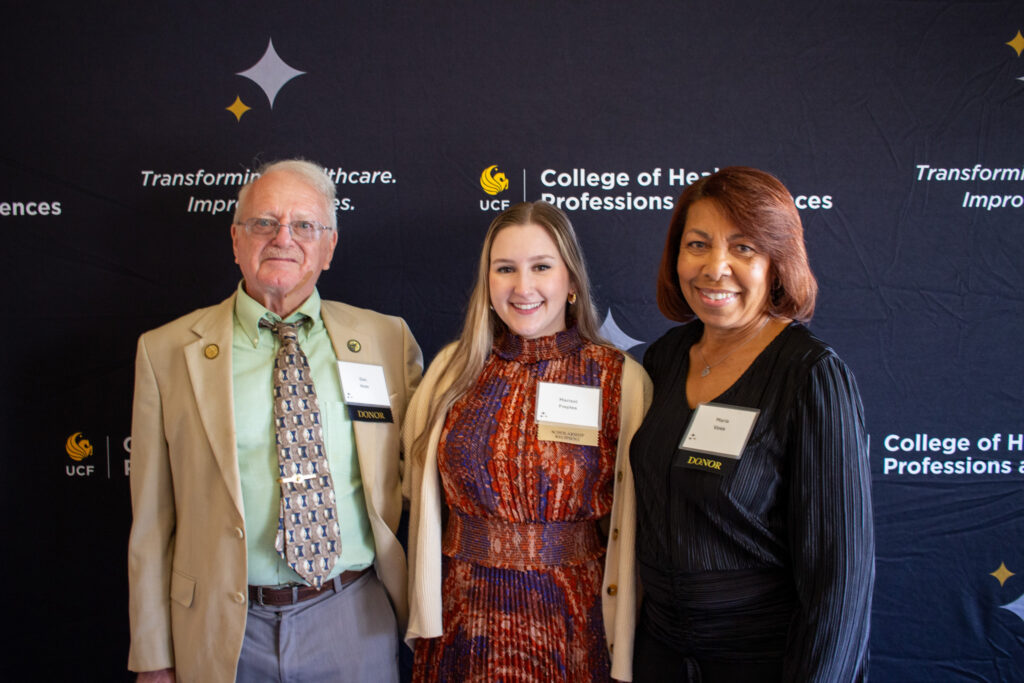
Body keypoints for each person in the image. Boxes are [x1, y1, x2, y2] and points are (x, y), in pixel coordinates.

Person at [126, 159, 423, 682]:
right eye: (264, 222)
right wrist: (153, 656)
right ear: (236, 239)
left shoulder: (385, 340)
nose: (283, 237)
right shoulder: (167, 352)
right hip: (223, 627)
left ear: (329, 247)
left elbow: (424, 483)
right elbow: (151, 520)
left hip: (352, 617)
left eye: (304, 225)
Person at [629, 166, 874, 681]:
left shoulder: (810, 375)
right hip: (660, 653)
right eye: (697, 244)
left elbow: (840, 581)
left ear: (777, 262)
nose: (715, 268)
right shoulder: (665, 359)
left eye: (743, 248)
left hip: (762, 660)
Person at [403, 201, 651, 682]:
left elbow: (636, 520)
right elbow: (414, 492)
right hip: (462, 620)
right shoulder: (452, 371)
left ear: (571, 282)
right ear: (487, 282)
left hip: (570, 619)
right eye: (505, 269)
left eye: (541, 266)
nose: (523, 287)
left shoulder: (618, 378)